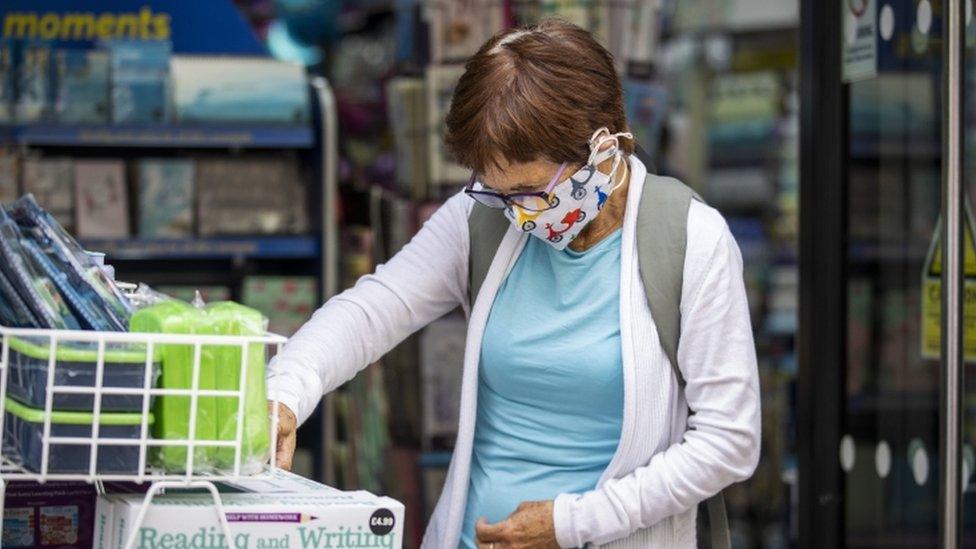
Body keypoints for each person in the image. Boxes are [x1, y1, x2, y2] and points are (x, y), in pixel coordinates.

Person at [267, 18, 760, 549]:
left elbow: (729, 441)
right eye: (498, 193)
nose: (519, 217)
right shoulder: (482, 217)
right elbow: (373, 310)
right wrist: (286, 393)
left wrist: (573, 523)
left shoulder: (691, 240)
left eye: (530, 192)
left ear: (604, 147)